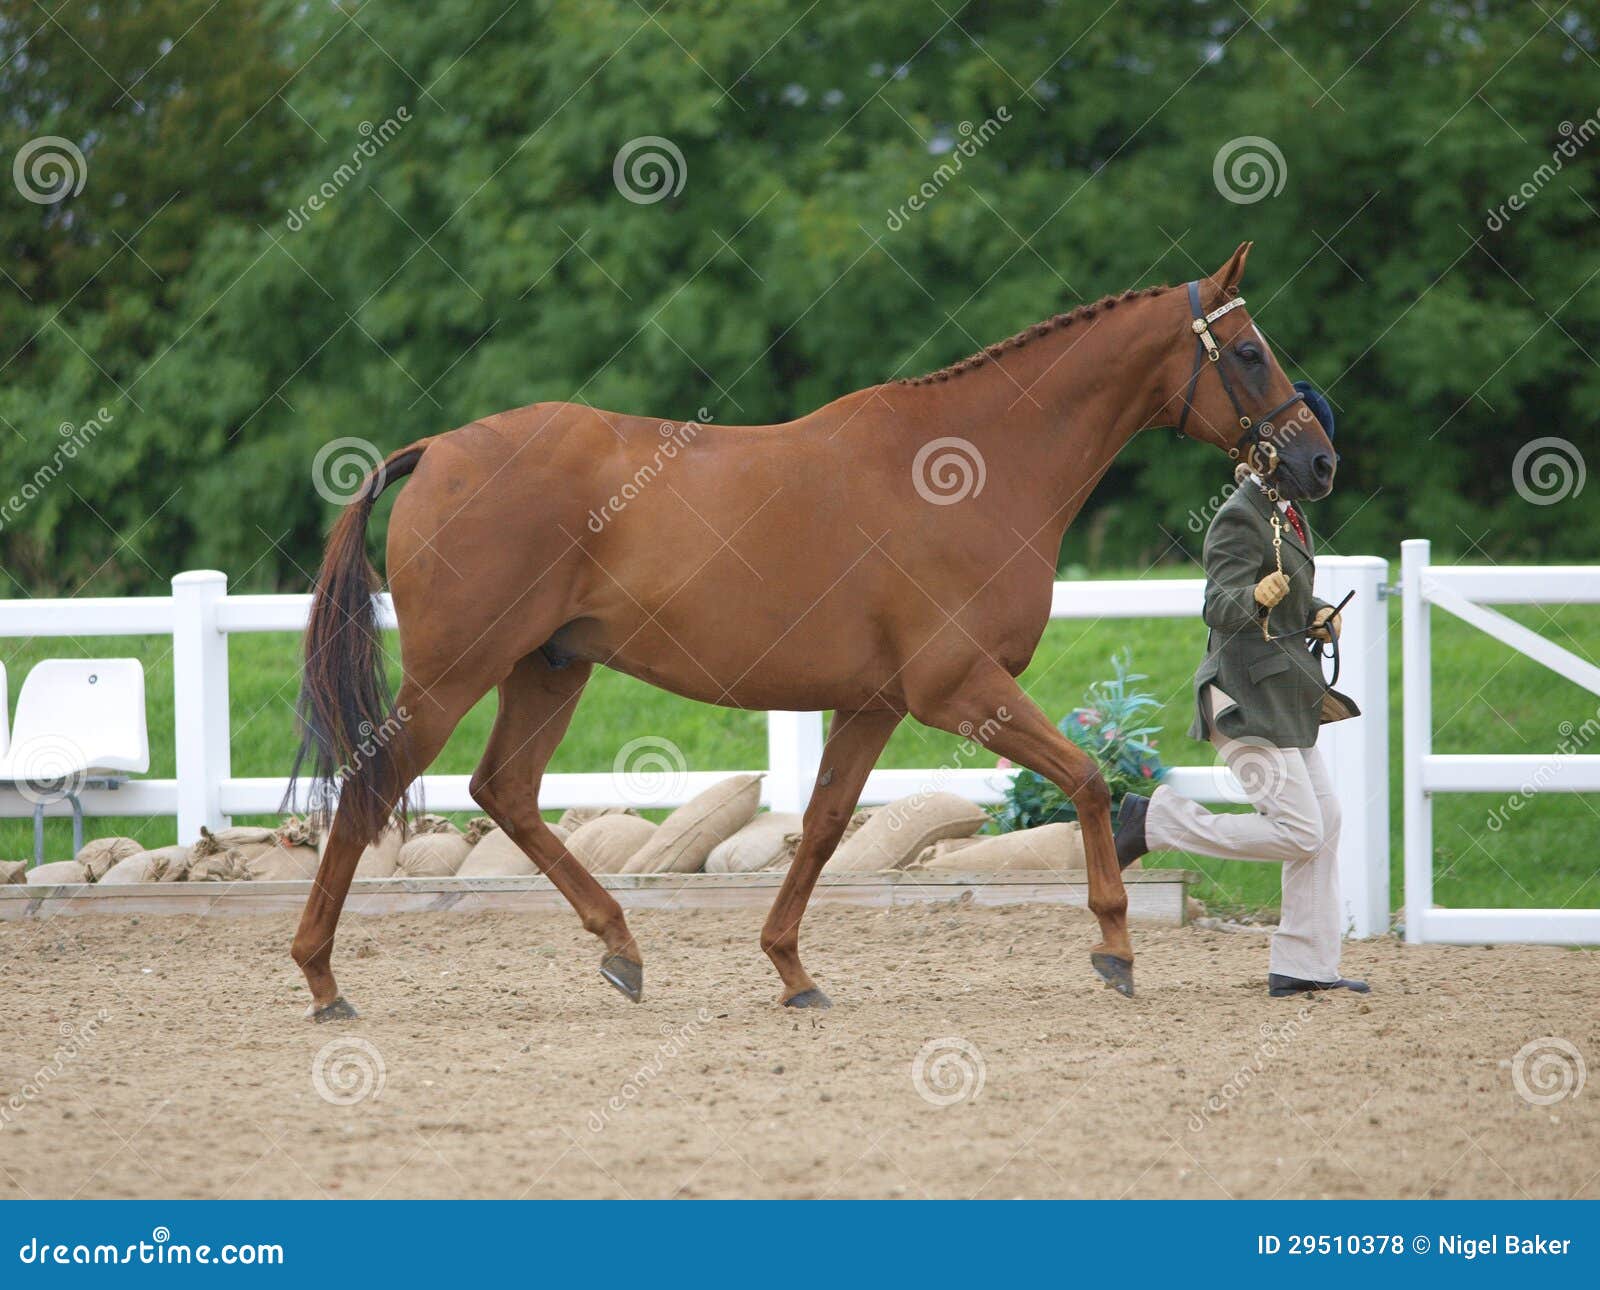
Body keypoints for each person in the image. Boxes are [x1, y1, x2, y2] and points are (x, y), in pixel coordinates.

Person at [1115, 388, 1368, 998]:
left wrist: (1317, 612)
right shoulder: (1239, 514)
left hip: (1281, 697)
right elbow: (1218, 604)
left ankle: (1304, 964)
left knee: (1326, 821)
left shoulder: (1286, 514)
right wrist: (1254, 596)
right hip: (1242, 700)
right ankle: (1158, 822)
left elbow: (1290, 596)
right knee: (1302, 831)